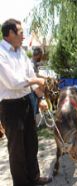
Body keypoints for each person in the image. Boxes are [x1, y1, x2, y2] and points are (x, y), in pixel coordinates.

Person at [0, 19, 52, 185]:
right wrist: (36, 80)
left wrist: (41, 97)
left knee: (31, 143)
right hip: (10, 106)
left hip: (27, 102)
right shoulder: (1, 54)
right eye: (21, 32)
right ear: (10, 34)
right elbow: (13, 83)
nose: (24, 36)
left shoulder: (21, 52)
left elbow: (31, 78)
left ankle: (34, 178)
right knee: (17, 150)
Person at [29, 47, 44, 118]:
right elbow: (33, 78)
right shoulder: (31, 64)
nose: (41, 57)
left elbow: (36, 75)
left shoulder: (34, 63)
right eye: (41, 55)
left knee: (35, 107)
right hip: (32, 90)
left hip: (35, 89)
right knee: (33, 108)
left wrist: (44, 77)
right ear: (38, 55)